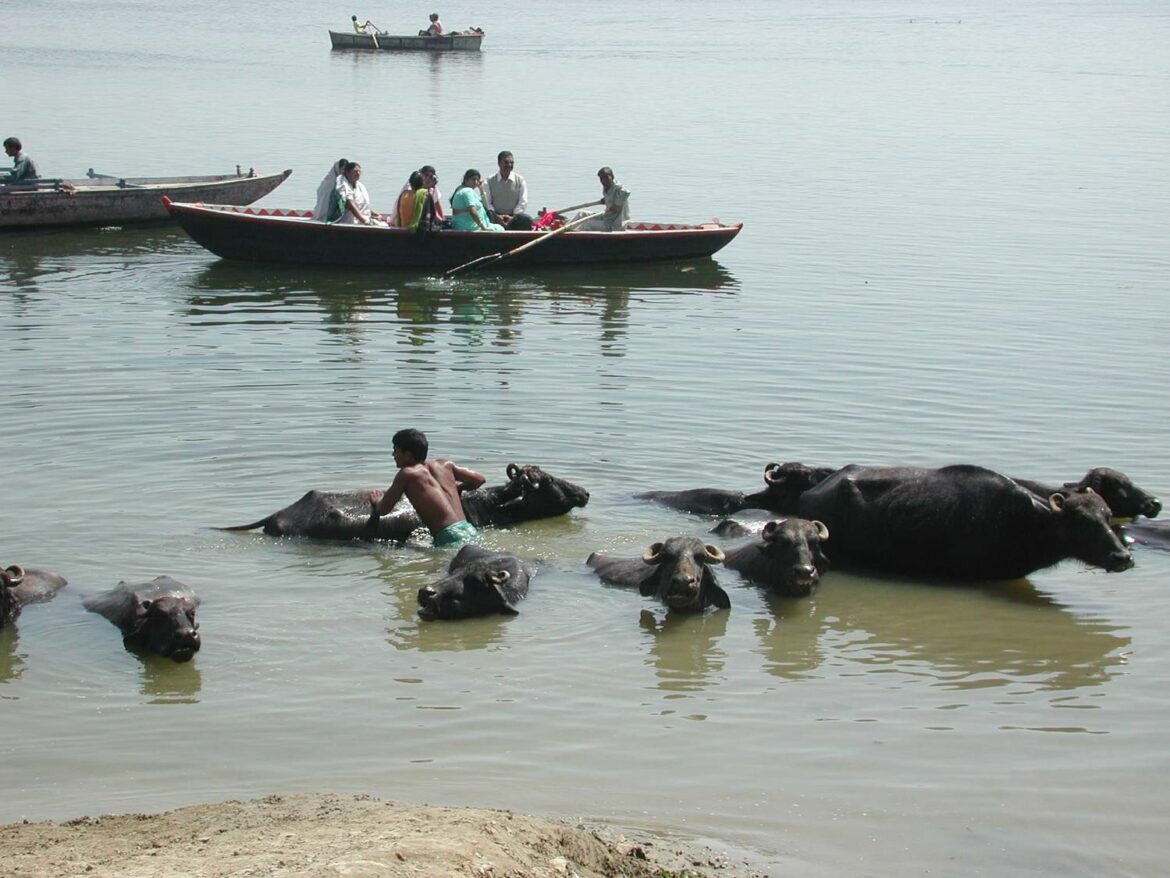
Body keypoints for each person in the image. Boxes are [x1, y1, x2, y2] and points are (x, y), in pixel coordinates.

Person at [368, 428, 485, 547]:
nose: (393, 455)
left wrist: (377, 501)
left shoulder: (407, 473)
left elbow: (383, 510)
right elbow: (479, 479)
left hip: (448, 537)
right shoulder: (444, 464)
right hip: (469, 530)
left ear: (408, 455)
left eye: (395, 450)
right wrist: (458, 488)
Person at [484, 150, 533, 230]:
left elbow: (523, 202)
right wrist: (498, 217)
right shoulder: (489, 181)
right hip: (495, 216)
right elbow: (487, 203)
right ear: (499, 163)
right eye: (506, 162)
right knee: (486, 214)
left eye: (511, 163)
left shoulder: (520, 180)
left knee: (527, 219)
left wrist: (512, 217)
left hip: (514, 217)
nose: (509, 165)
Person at [578, 166, 630, 231]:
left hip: (614, 224)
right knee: (581, 213)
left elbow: (626, 192)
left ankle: (571, 235)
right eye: (601, 178)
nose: (604, 181)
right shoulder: (607, 188)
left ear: (612, 177)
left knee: (587, 224)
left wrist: (616, 205)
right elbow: (611, 198)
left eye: (606, 178)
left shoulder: (618, 188)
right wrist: (605, 200)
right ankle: (567, 228)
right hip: (607, 218)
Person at [336, 161, 386, 225]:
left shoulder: (360, 186)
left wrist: (376, 214)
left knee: (384, 224)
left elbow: (363, 205)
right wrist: (364, 220)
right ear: (348, 173)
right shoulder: (343, 185)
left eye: (359, 171)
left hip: (364, 218)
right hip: (351, 222)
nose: (358, 173)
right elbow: (350, 205)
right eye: (355, 171)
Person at [312, 157, 347, 221]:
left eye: (345, 170)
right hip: (323, 215)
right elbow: (323, 203)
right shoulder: (328, 184)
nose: (343, 172)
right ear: (337, 169)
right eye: (342, 169)